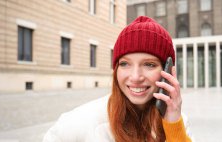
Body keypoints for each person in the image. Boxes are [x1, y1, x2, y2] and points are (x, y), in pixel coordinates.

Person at [43, 16, 192, 142]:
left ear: (168, 70)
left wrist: (173, 125)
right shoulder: (79, 122)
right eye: (125, 64)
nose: (135, 77)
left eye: (149, 64)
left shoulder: (177, 122)